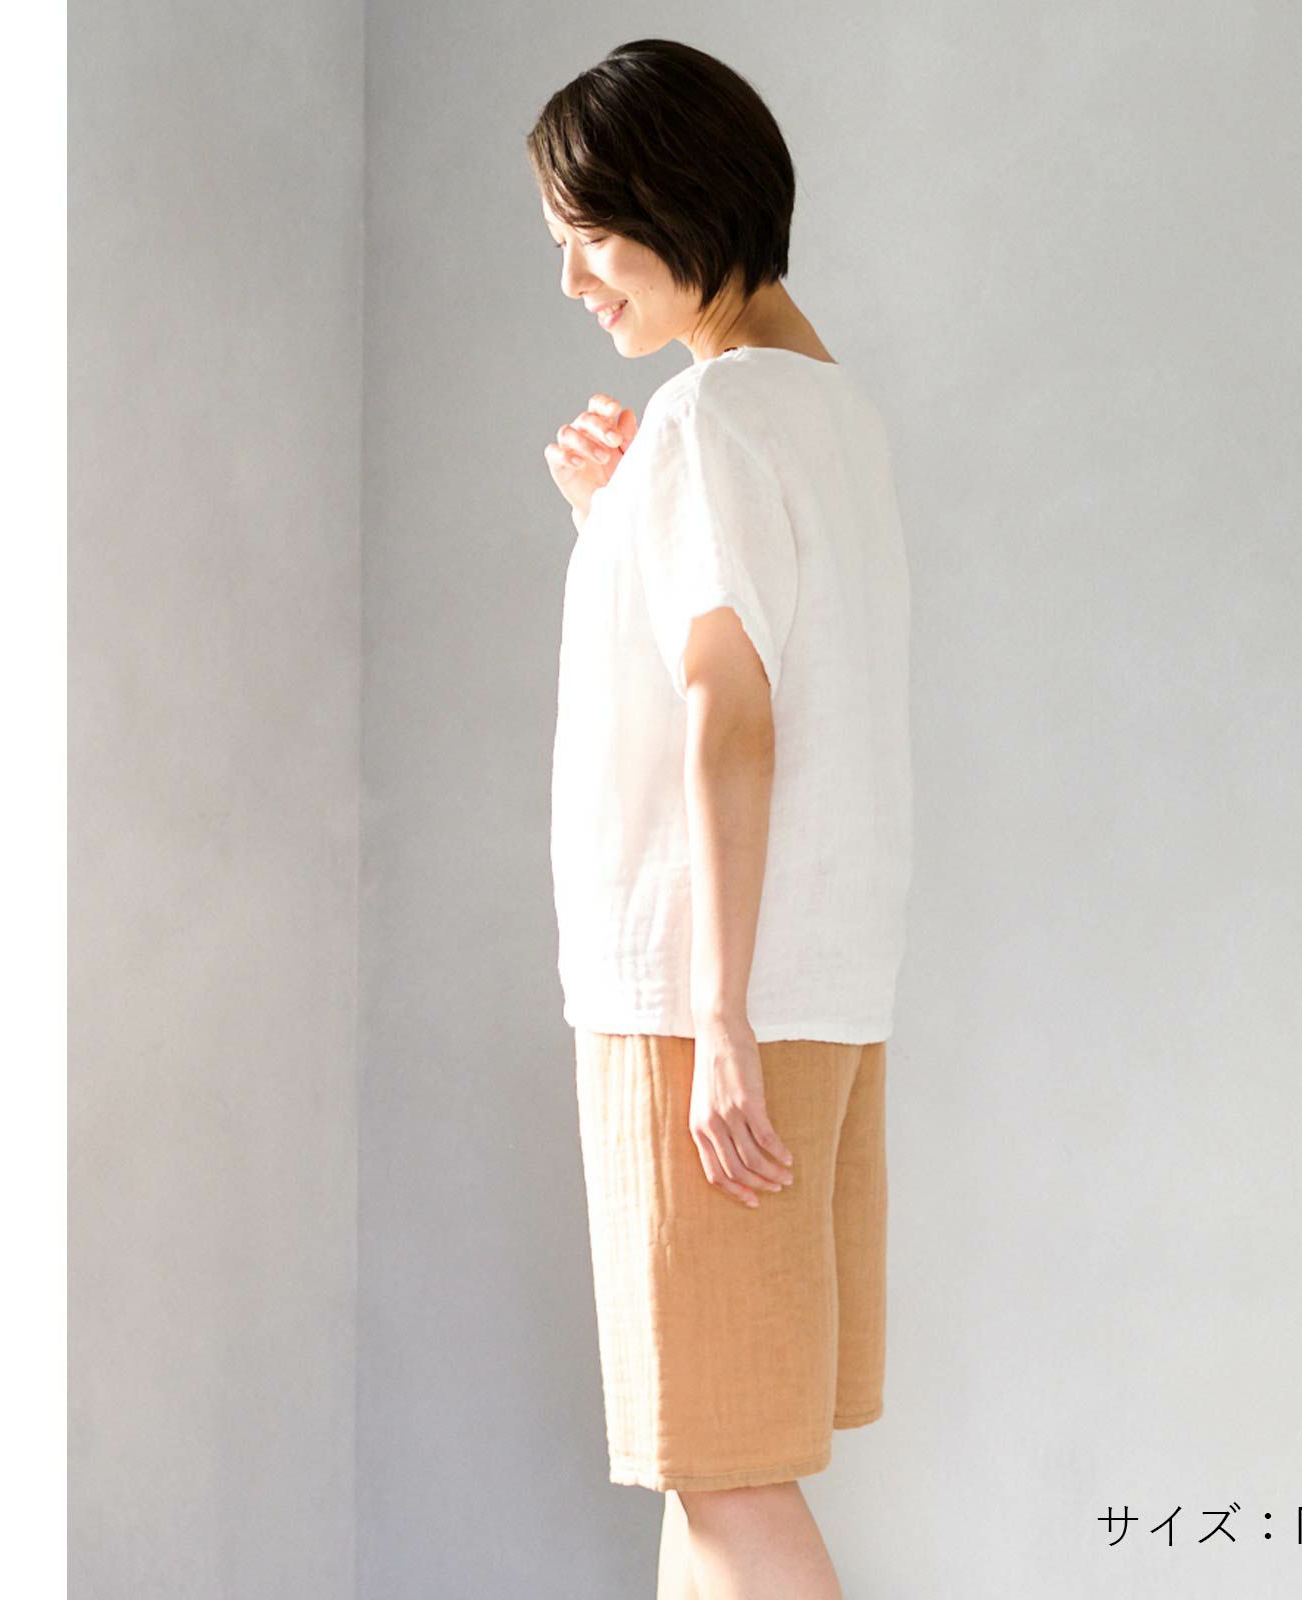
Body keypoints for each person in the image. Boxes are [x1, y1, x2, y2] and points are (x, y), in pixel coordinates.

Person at [528, 39, 913, 1600]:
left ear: (680, 203)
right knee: (709, 1467)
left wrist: (714, 1015)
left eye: (589, 239)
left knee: (724, 1474)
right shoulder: (830, 416)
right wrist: (608, 521)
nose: (572, 283)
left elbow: (732, 715)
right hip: (815, 994)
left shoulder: (710, 423)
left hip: (700, 1008)